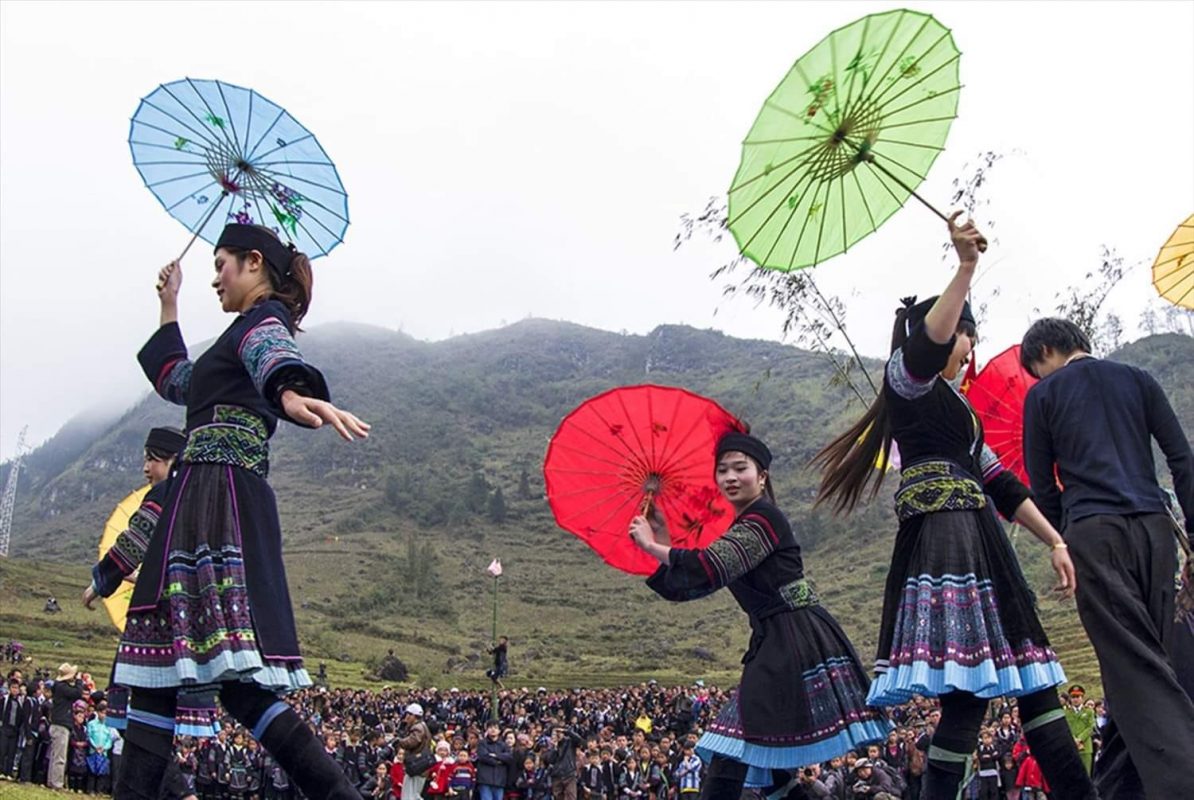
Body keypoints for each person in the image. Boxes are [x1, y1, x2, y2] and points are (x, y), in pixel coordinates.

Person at [813, 213, 1094, 800]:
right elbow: (925, 348)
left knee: (1026, 691)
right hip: (945, 543)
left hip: (983, 546)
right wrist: (965, 267)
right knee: (968, 699)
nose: (969, 348)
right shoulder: (908, 383)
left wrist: (1056, 541)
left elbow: (1004, 487)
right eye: (966, 335)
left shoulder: (960, 417)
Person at [109, 224, 370, 800]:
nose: (214, 276)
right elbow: (179, 381)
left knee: (226, 680)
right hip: (200, 499)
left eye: (221, 263)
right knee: (172, 673)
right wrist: (169, 303)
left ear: (254, 264)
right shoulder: (230, 341)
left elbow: (272, 355)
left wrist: (291, 392)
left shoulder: (259, 324)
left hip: (217, 502)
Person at [631, 431, 888, 800]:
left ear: (762, 476)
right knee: (771, 763)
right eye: (723, 471)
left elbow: (711, 566)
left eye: (740, 468)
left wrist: (653, 545)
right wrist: (663, 538)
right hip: (777, 641)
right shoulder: (744, 526)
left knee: (731, 750)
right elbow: (694, 583)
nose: (731, 477)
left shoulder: (763, 519)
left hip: (792, 640)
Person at [1019, 315, 1194, 799]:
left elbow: (1040, 485)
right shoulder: (1139, 379)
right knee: (1143, 660)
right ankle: (1118, 788)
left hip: (1095, 535)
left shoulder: (1043, 396)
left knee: (1136, 667)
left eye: (1038, 368)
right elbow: (1181, 457)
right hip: (1155, 532)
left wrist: (1061, 541)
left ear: (1046, 353)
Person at [48, 663, 83, 789]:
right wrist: (79, 681)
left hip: (56, 724)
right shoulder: (63, 688)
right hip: (61, 725)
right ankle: (57, 783)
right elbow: (78, 693)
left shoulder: (58, 687)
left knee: (55, 755)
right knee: (60, 757)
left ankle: (52, 780)